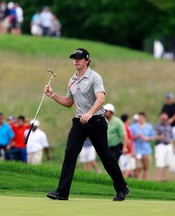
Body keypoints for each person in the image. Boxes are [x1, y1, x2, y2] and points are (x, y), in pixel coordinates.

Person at [44, 48, 129, 201]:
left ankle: (122, 187)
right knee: (70, 153)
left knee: (105, 156)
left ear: (87, 60)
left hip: (96, 121)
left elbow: (101, 99)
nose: (75, 61)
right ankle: (62, 192)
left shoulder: (95, 77)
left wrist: (89, 113)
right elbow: (69, 102)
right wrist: (52, 95)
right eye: (74, 58)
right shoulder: (72, 80)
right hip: (79, 122)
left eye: (79, 58)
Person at [131, 112, 154, 180]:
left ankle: (144, 182)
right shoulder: (133, 127)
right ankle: (135, 180)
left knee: (145, 168)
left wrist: (148, 138)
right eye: (139, 118)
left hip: (146, 150)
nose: (140, 119)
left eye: (142, 118)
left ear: (144, 118)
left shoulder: (149, 127)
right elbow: (129, 138)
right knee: (138, 167)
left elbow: (153, 136)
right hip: (137, 150)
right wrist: (136, 137)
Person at [154, 113, 174, 182]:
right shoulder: (158, 126)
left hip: (168, 145)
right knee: (160, 162)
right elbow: (155, 135)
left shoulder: (169, 126)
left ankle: (164, 178)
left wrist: (172, 145)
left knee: (166, 163)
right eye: (163, 119)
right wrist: (160, 137)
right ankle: (157, 178)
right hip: (160, 145)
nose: (165, 120)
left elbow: (171, 136)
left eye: (166, 119)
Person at [120, 114, 136, 178]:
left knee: (125, 168)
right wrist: (132, 151)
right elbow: (128, 140)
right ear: (126, 120)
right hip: (127, 152)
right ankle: (123, 183)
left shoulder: (122, 127)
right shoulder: (126, 128)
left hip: (124, 151)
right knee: (128, 168)